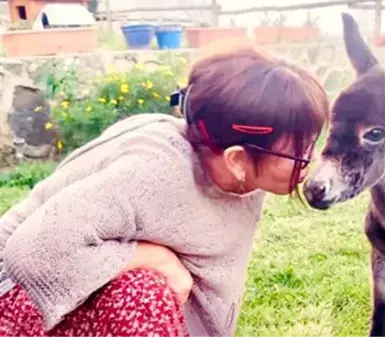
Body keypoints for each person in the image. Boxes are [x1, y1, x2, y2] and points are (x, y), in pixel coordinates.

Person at [0, 40, 329, 337]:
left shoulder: (235, 164)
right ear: (238, 160)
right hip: (19, 301)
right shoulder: (154, 173)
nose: (310, 159)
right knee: (143, 293)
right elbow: (31, 254)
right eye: (297, 150)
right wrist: (153, 259)